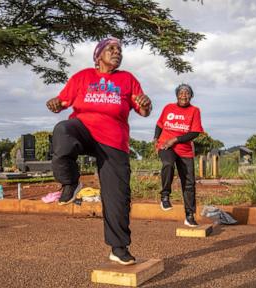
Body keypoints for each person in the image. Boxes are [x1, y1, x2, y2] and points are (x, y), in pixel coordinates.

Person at [46, 37, 152, 265]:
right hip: (84, 130)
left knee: (117, 197)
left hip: (113, 140)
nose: (117, 52)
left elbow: (144, 110)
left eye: (119, 50)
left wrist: (146, 102)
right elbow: (61, 102)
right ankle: (70, 183)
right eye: (111, 49)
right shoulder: (82, 77)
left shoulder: (127, 79)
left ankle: (119, 247)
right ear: (98, 54)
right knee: (63, 130)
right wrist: (55, 102)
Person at [153, 84, 203, 227]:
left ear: (191, 96)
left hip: (185, 150)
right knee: (168, 164)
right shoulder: (168, 107)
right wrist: (156, 138)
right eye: (181, 93)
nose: (184, 95)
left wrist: (175, 139)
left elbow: (195, 132)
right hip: (165, 146)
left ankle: (189, 215)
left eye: (187, 93)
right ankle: (165, 196)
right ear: (177, 95)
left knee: (189, 183)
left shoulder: (195, 111)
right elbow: (160, 124)